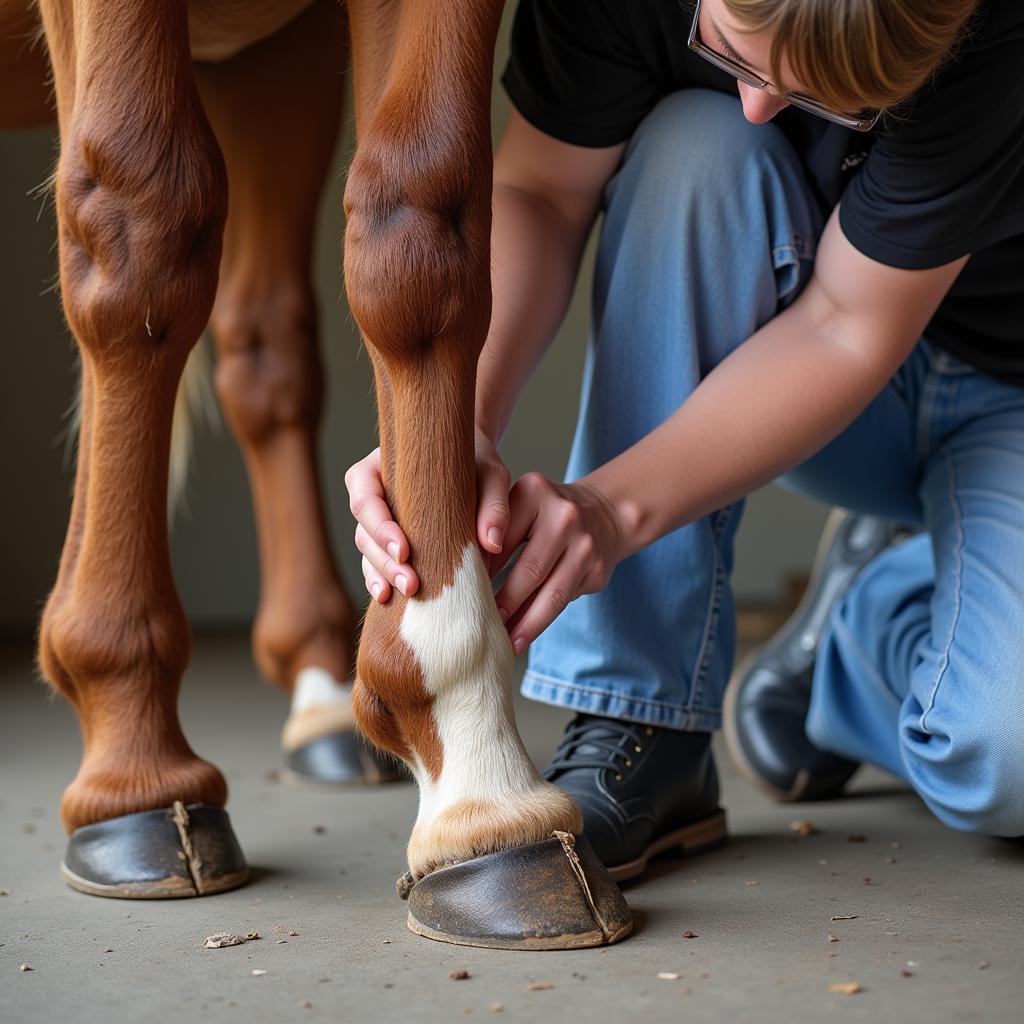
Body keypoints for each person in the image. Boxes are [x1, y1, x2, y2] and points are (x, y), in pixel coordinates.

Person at [345, 0, 1024, 880]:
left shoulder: (991, 28)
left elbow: (850, 326)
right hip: (795, 387)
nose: (760, 105)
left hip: (974, 383)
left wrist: (611, 511)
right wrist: (457, 422)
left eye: (831, 101)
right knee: (699, 143)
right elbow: (542, 191)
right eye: (733, 56)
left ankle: (853, 641)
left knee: (1001, 764)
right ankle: (640, 710)